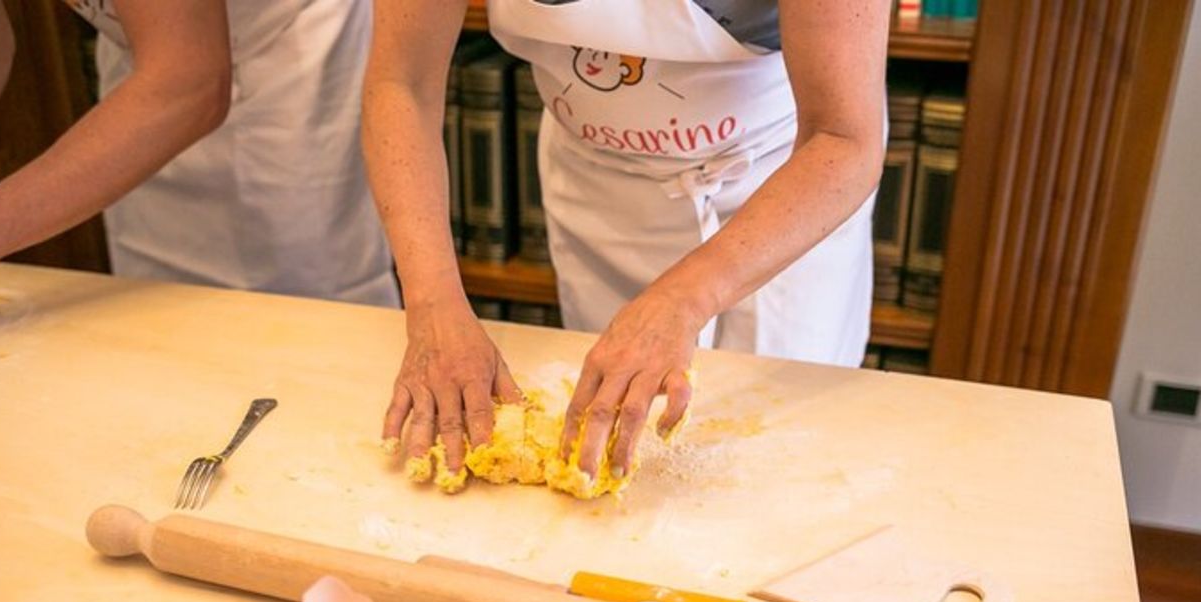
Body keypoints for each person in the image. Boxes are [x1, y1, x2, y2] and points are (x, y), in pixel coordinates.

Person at [364, 0, 887, 486]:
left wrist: (683, 298)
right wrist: (434, 306)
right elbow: (401, 83)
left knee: (770, 475)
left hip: (774, 198)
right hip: (599, 186)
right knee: (609, 466)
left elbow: (843, 138)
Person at [0, 0, 397, 306]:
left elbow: (192, 84)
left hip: (283, 67)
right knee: (157, 318)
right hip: (145, 70)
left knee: (304, 335)